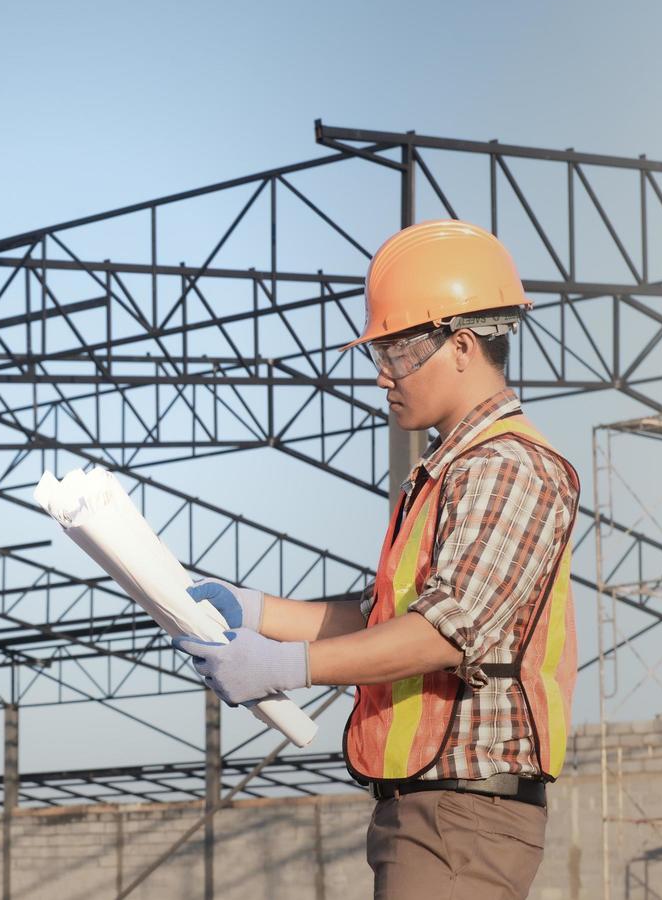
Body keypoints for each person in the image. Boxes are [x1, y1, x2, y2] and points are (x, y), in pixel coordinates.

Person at [174, 219, 580, 900]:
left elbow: (444, 631)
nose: (382, 376)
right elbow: (383, 616)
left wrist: (287, 667)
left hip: (462, 816)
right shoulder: (447, 474)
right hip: (431, 813)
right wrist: (258, 612)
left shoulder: (509, 468)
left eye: (396, 352)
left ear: (460, 345)